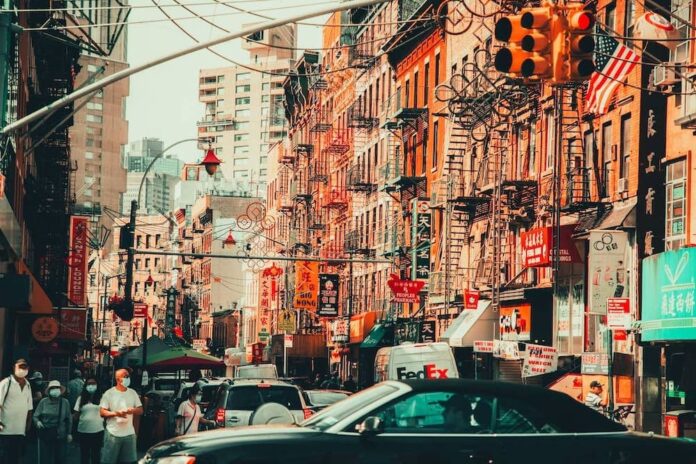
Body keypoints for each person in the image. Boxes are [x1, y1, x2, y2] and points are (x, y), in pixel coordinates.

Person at [100, 369, 143, 464]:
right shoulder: (109, 393)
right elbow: (102, 412)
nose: (128, 378)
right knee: (109, 461)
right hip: (113, 434)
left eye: (128, 376)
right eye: (125, 376)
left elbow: (140, 410)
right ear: (118, 379)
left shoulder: (133, 393)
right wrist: (116, 413)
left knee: (129, 462)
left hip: (129, 434)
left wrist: (131, 410)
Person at [0, 358, 34, 463]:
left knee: (16, 458)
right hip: (5, 430)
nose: (22, 369)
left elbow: (29, 408)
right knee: (5, 458)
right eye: (20, 367)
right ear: (14, 368)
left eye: (25, 367)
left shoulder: (28, 385)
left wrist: (28, 424)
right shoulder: (6, 383)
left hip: (20, 430)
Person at [34, 380, 72, 464]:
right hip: (46, 433)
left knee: (60, 458)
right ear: (49, 390)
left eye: (57, 388)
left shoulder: (65, 402)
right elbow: (35, 416)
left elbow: (69, 419)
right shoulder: (43, 402)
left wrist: (69, 433)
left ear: (60, 390)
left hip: (60, 434)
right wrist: (37, 422)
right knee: (46, 458)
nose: (55, 390)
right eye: (53, 388)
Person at [74, 377, 104, 464]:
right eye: (89, 384)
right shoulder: (80, 398)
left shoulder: (102, 398)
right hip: (83, 431)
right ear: (85, 385)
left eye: (93, 383)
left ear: (97, 385)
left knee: (96, 455)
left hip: (98, 431)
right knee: (84, 455)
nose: (91, 386)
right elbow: (76, 415)